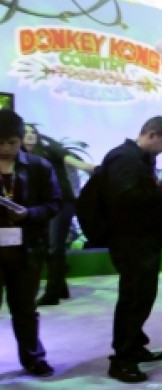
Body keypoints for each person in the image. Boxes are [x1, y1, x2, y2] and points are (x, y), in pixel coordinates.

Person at [104, 116, 162, 383]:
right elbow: (125, 199)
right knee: (133, 299)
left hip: (143, 240)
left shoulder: (139, 160)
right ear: (150, 134)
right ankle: (122, 360)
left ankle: (134, 346)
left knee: (143, 297)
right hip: (130, 241)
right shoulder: (124, 158)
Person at [0, 109, 59, 377]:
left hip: (26, 250)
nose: (5, 149)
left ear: (21, 139)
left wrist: (29, 213)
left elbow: (55, 204)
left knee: (25, 309)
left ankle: (33, 358)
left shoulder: (38, 166)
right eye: (0, 143)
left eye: (11, 142)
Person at [21, 124, 94, 305]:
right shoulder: (20, 156)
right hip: (41, 207)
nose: (30, 136)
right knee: (47, 247)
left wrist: (87, 167)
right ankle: (61, 288)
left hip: (60, 202)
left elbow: (67, 158)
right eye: (26, 133)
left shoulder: (46, 148)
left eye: (33, 132)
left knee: (54, 247)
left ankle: (52, 294)